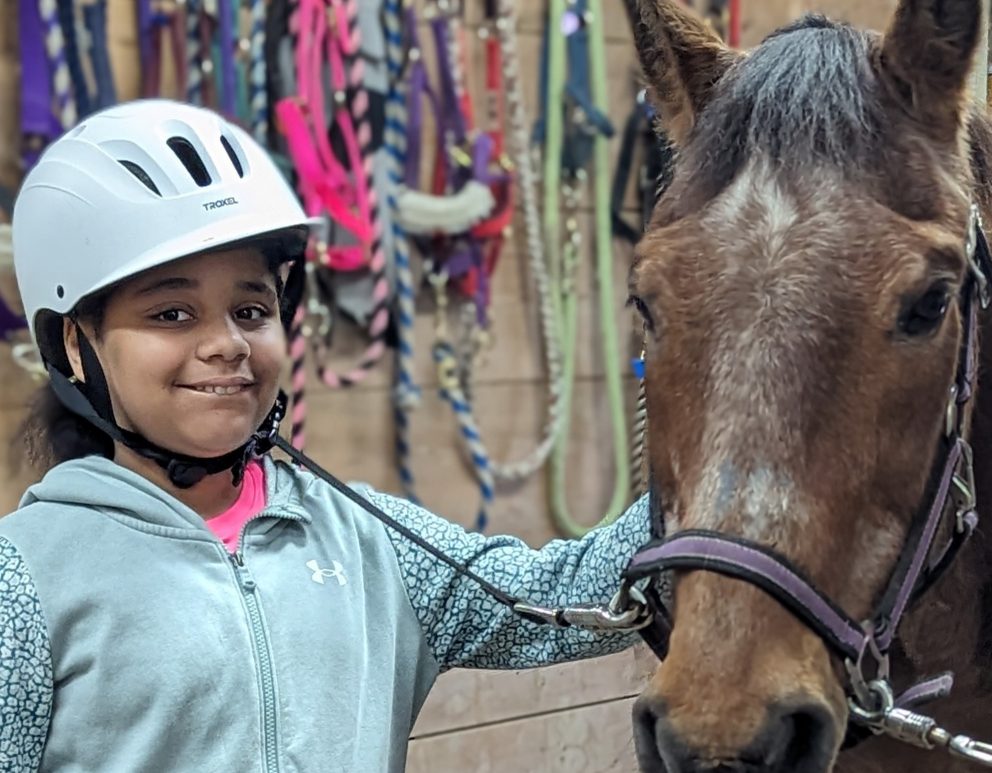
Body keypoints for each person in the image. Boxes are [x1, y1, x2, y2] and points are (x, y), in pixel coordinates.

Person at [0, 100, 652, 772]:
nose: (227, 343)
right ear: (76, 344)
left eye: (252, 309)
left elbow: (568, 593)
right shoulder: (23, 579)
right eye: (172, 313)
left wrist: (732, 469)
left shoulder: (368, 541)